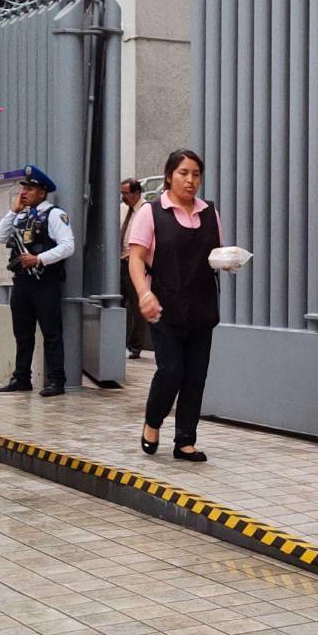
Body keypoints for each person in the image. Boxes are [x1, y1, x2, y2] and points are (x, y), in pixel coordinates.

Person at [127, 149, 227, 462]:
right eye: (184, 173)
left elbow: (216, 253)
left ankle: (185, 440)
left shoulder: (209, 212)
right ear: (169, 175)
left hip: (201, 306)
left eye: (196, 174)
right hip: (164, 306)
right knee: (171, 370)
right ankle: (153, 421)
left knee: (196, 375)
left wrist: (228, 261)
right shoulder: (152, 212)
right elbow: (136, 258)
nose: (190, 180)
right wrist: (144, 293)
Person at [0, 165, 75, 397]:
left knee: (51, 332)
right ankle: (21, 378)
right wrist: (12, 211)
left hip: (44, 281)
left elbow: (68, 246)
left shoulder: (54, 215)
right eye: (24, 189)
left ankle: (56, 380)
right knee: (22, 332)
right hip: (22, 282)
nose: (24, 193)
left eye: (30, 189)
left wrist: (39, 259)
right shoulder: (21, 215)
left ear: (42, 192)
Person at [120, 178, 150, 359]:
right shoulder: (122, 208)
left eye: (126, 193)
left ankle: (135, 347)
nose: (122, 197)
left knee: (137, 307)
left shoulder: (147, 211)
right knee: (118, 304)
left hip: (136, 263)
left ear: (137, 193)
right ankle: (119, 343)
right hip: (120, 263)